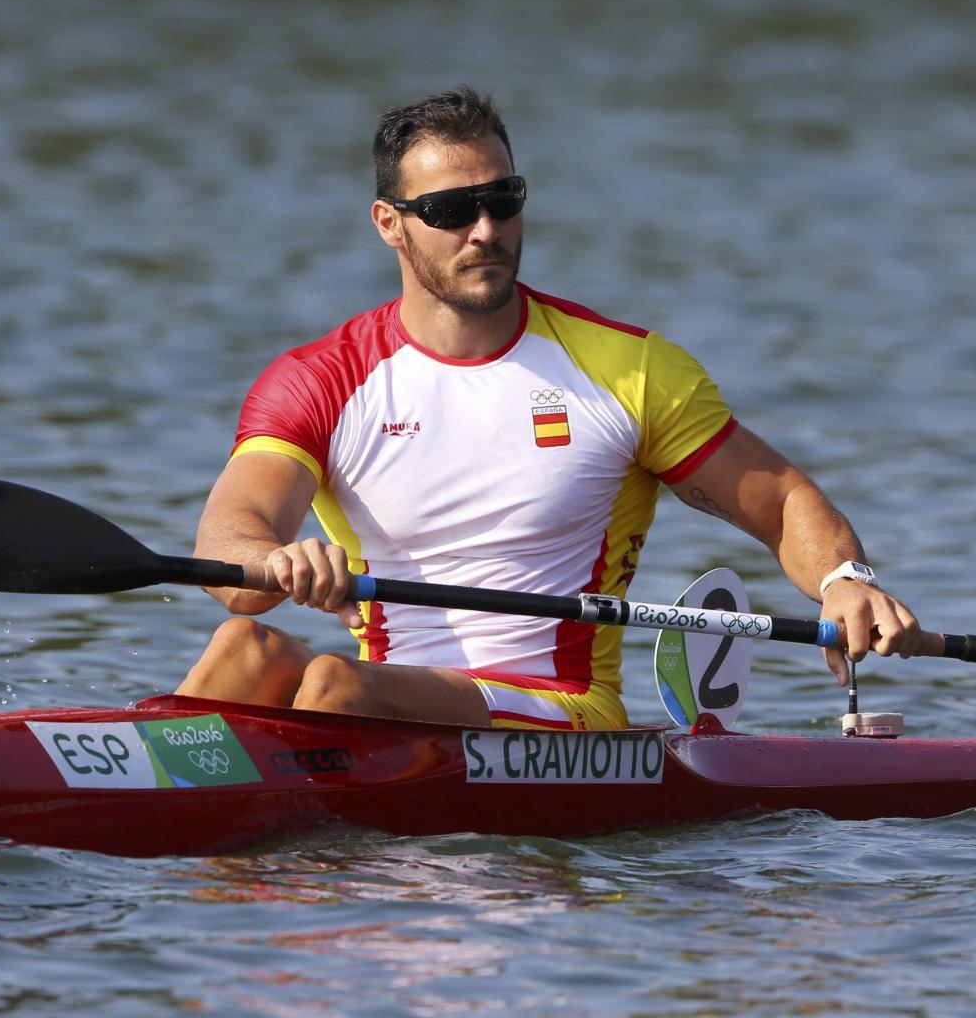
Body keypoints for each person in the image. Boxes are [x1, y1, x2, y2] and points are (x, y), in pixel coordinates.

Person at [178, 86, 920, 730]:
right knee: (244, 647)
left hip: (560, 706)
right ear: (389, 223)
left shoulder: (625, 371)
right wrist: (274, 560)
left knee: (333, 684)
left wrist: (843, 578)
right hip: (379, 693)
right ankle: (166, 837)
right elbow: (228, 546)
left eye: (503, 200)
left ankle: (256, 855)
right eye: (450, 209)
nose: (485, 230)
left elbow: (782, 500)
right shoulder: (322, 379)